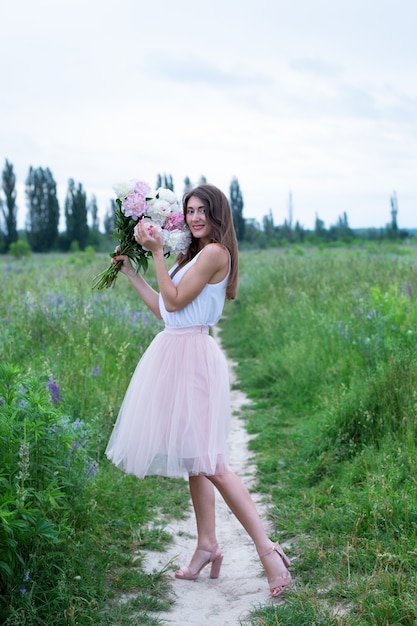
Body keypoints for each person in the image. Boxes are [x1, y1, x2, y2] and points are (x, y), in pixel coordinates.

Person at [105, 184, 292, 597]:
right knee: (195, 458)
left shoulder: (214, 254)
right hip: (176, 349)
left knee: (213, 463)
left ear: (217, 214)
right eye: (188, 210)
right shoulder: (190, 255)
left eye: (202, 210)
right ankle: (207, 544)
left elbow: (173, 304)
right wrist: (134, 273)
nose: (193, 217)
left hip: (193, 358)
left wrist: (155, 252)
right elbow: (164, 309)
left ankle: (268, 551)